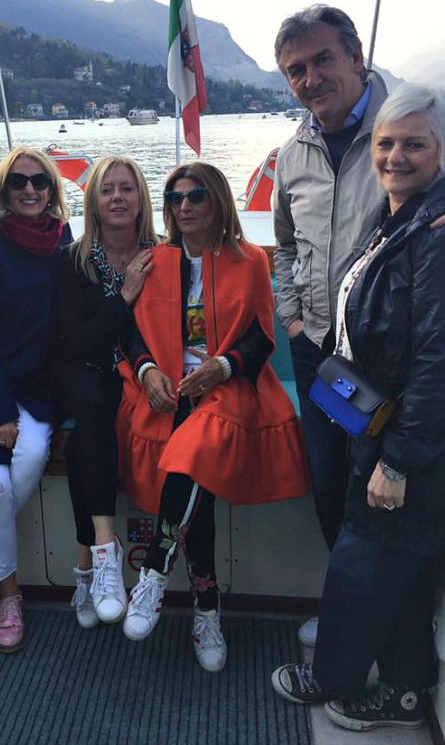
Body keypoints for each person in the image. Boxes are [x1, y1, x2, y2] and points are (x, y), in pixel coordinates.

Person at [272, 83, 445, 732]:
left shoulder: (443, 236)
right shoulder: (401, 217)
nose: (395, 156)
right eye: (385, 143)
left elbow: (441, 364)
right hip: (374, 418)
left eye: (415, 144)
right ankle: (405, 691)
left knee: (363, 555)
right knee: (400, 566)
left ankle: (332, 677)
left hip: (409, 438)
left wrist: (398, 461)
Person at [117, 162, 309, 672]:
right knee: (192, 470)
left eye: (196, 195)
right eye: (175, 197)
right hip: (168, 388)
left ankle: (156, 569)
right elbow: (128, 332)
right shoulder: (152, 261)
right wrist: (148, 371)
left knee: (194, 449)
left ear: (218, 200)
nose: (184, 206)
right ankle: (206, 606)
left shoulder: (250, 261)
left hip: (231, 386)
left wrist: (222, 367)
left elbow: (262, 337)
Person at [272, 5, 388, 647]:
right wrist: (291, 319)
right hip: (320, 354)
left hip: (386, 361)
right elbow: (285, 246)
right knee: (332, 485)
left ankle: (379, 628)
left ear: (355, 56)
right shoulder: (293, 154)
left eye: (322, 60)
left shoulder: (405, 133)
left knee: (384, 490)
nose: (310, 79)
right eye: (296, 70)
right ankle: (349, 615)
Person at [0, 147, 72, 653]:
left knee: (31, 456)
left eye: (39, 181)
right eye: (18, 182)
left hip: (40, 386)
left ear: (51, 189)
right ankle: (10, 596)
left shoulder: (62, 239)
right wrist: (1, 411)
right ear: (3, 191)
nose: (29, 190)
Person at [50, 156, 157, 629]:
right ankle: (105, 550)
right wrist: (126, 294)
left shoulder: (160, 256)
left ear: (141, 198)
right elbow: (78, 342)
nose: (117, 197)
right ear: (92, 201)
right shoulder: (72, 261)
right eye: (107, 189)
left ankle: (86, 568)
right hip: (78, 366)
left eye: (126, 188)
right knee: (92, 405)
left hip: (137, 369)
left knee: (83, 444)